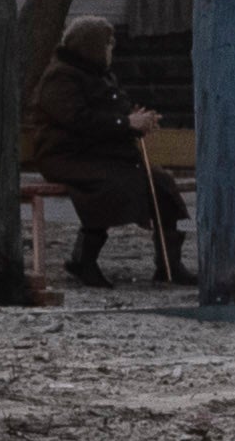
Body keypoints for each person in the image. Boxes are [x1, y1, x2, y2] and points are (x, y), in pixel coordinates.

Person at [28, 21, 157, 285]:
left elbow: (112, 110)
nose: (110, 51)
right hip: (64, 156)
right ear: (91, 46)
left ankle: (170, 263)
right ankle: (84, 260)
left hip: (93, 153)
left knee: (159, 183)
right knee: (112, 183)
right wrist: (126, 124)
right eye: (107, 45)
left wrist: (134, 119)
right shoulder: (61, 76)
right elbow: (78, 119)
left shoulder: (98, 73)